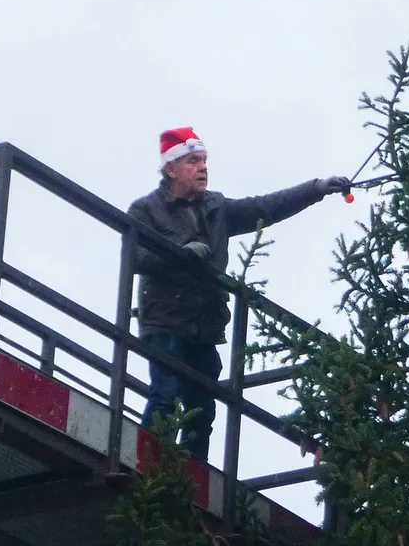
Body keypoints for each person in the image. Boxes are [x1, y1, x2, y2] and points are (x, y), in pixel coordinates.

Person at [126, 126, 350, 462]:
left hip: (205, 326)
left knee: (202, 410)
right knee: (166, 395)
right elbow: (134, 258)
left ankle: (192, 478)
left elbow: (266, 207)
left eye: (203, 160)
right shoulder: (145, 210)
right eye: (192, 161)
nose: (202, 167)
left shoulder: (217, 207)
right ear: (170, 168)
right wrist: (179, 252)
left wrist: (316, 189)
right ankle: (143, 465)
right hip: (165, 322)